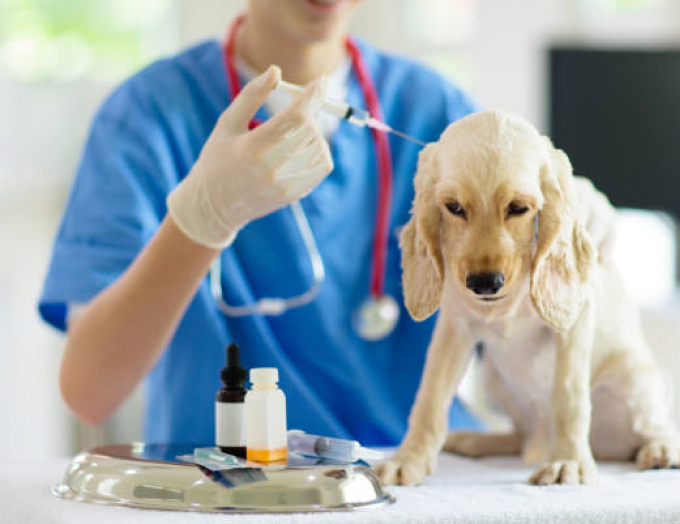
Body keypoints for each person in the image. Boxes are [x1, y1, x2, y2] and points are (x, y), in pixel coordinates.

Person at [38, 0, 480, 446]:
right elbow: (88, 392)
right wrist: (200, 220)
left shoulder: (434, 111)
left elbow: (526, 337)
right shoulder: (148, 114)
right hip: (225, 487)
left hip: (417, 485)